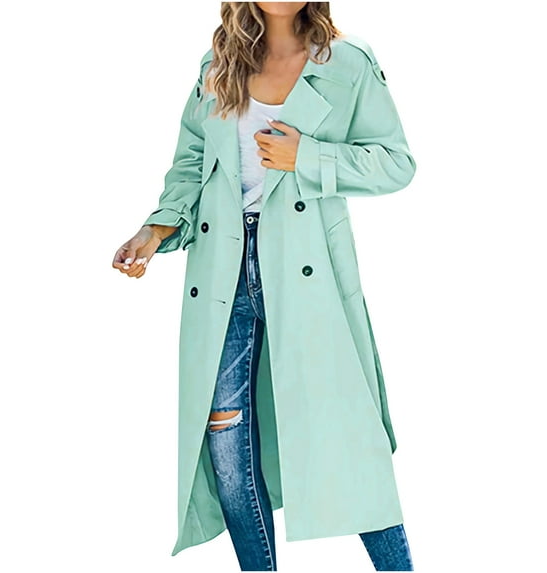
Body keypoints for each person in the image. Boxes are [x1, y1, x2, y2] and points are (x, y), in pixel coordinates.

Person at [113, 2, 416, 571]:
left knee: (349, 440)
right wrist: (155, 231)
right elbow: (192, 164)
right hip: (222, 272)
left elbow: (396, 163)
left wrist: (310, 157)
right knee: (226, 442)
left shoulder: (346, 62)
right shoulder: (218, 64)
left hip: (307, 272)